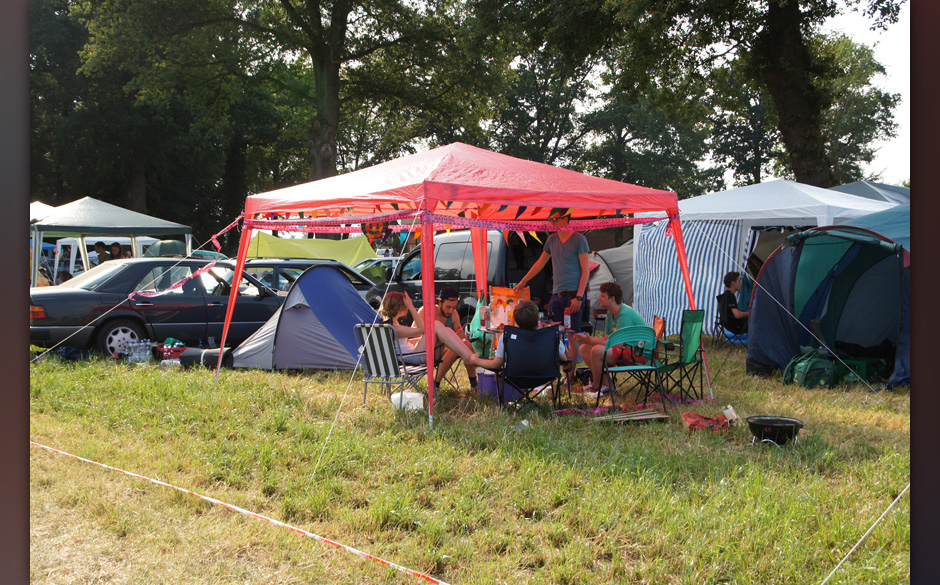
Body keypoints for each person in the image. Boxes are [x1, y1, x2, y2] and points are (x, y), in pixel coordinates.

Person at [513, 207, 590, 361]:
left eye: (554, 219)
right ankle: (565, 370)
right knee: (558, 335)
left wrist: (579, 297)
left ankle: (572, 376)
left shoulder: (579, 240)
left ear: (566, 218)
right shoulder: (551, 240)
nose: (552, 223)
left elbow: (585, 271)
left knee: (573, 336)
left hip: (574, 295)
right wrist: (524, 280)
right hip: (557, 295)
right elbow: (540, 263)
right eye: (550, 220)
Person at [378, 292, 477, 381]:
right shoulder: (394, 328)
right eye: (406, 305)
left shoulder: (390, 326)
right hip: (411, 359)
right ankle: (470, 357)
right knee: (436, 325)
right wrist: (412, 307)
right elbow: (422, 329)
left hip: (409, 356)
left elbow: (404, 344)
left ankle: (470, 357)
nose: (407, 307)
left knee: (445, 329)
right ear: (400, 308)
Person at [569, 282, 647, 395]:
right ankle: (606, 386)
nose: (599, 298)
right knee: (585, 348)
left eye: (602, 296)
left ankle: (596, 385)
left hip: (637, 353)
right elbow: (607, 338)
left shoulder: (625, 314)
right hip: (624, 350)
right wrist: (588, 341)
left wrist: (591, 340)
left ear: (612, 299)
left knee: (596, 350)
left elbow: (618, 344)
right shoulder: (610, 314)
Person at [471, 300, 566, 371]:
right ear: (538, 317)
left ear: (515, 321)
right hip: (546, 375)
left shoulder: (507, 335)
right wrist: (561, 341)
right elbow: (565, 360)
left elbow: (495, 365)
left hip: (515, 377)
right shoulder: (551, 335)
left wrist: (476, 360)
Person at [417, 287, 478, 390]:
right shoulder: (427, 311)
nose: (450, 311)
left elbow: (461, 337)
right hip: (426, 350)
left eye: (454, 307)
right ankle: (436, 384)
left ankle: (474, 383)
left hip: (441, 350)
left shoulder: (454, 315)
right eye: (448, 307)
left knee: (465, 345)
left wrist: (461, 336)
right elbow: (414, 336)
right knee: (453, 349)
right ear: (439, 302)